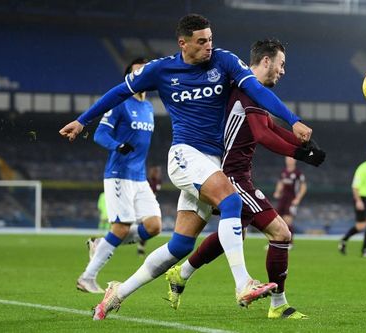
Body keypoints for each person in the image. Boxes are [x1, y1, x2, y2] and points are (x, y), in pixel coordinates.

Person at [59, 14, 312, 320]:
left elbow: (258, 90)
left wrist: (292, 119)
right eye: (202, 41)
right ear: (184, 43)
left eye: (211, 39)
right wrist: (82, 120)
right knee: (231, 200)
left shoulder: (224, 61)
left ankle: (117, 293)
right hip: (185, 154)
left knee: (180, 245)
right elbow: (119, 92)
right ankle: (243, 283)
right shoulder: (162, 69)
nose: (209, 46)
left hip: (211, 163)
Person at [164, 39, 325, 319]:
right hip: (232, 176)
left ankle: (182, 272)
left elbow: (269, 126)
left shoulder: (253, 91)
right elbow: (263, 136)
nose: (283, 71)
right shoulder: (247, 89)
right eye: (281, 64)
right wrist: (301, 155)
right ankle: (279, 305)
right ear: (266, 61)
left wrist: (304, 146)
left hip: (237, 173)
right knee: (281, 233)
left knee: (235, 229)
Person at [76, 58, 162, 294]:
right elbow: (100, 134)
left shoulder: (148, 107)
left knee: (154, 226)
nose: (141, 75)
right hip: (119, 174)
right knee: (122, 227)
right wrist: (117, 145)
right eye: (136, 72)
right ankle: (87, 277)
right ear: (129, 78)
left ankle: (101, 244)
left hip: (139, 176)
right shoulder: (121, 103)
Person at [338, 147, 366, 257]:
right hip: (361, 198)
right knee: (361, 226)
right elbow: (355, 186)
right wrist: (358, 201)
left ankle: (365, 250)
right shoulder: (363, 168)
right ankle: (344, 240)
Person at [273, 157, 307, 244]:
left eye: (291, 159)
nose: (289, 160)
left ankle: (289, 243)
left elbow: (303, 187)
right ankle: (275, 242)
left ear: (295, 161)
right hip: (282, 199)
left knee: (288, 221)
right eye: (288, 159)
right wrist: (277, 192)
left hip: (291, 200)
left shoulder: (298, 173)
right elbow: (280, 182)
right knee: (277, 221)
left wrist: (298, 198)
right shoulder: (283, 172)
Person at [136, 165, 163, 256]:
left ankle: (141, 246)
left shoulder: (158, 181)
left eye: (158, 172)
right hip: (144, 204)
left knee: (149, 226)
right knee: (145, 225)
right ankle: (140, 246)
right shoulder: (147, 181)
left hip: (152, 204)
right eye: (156, 172)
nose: (157, 174)